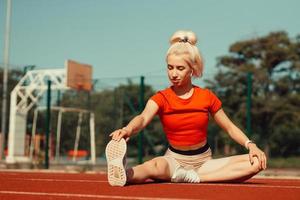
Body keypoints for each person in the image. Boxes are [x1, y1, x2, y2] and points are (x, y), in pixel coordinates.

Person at [105, 30, 267, 186]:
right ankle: (123, 173)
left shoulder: (206, 96)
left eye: (180, 68)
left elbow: (230, 128)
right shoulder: (161, 97)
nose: (173, 74)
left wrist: (251, 145)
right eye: (170, 67)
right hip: (174, 161)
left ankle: (194, 177)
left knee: (256, 161)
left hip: (204, 162)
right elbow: (142, 118)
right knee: (152, 166)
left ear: (193, 69)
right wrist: (127, 129)